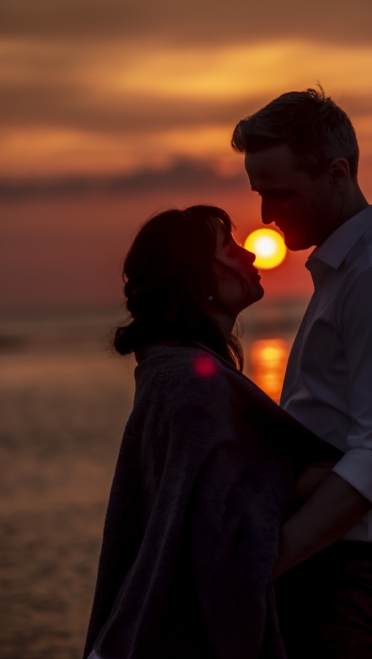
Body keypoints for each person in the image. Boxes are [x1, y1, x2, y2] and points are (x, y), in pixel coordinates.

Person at [232, 87, 372, 658]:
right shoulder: (346, 272)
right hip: (336, 560)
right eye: (259, 194)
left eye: (279, 194)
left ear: (337, 172)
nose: (266, 216)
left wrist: (270, 560)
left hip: (360, 571)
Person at [83, 205, 341, 659]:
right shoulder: (191, 384)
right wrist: (352, 465)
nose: (253, 257)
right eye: (231, 249)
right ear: (197, 280)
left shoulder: (169, 373)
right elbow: (220, 525)